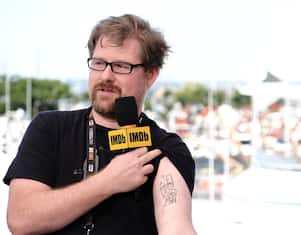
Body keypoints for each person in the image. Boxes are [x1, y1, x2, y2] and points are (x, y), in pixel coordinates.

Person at [3, 14, 196, 235]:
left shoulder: (165, 148)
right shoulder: (50, 128)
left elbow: (176, 226)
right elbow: (21, 220)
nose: (106, 75)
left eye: (121, 66)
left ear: (150, 75)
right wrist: (108, 181)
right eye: (99, 63)